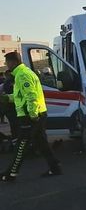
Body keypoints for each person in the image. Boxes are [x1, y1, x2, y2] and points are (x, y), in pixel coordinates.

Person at [1, 51, 62, 182]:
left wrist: (33, 115)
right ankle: (55, 167)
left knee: (21, 144)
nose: (6, 64)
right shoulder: (22, 73)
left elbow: (31, 96)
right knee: (41, 143)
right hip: (37, 113)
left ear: (13, 62)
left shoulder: (22, 75)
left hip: (30, 115)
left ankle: (11, 173)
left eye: (7, 62)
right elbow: (21, 96)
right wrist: (7, 98)